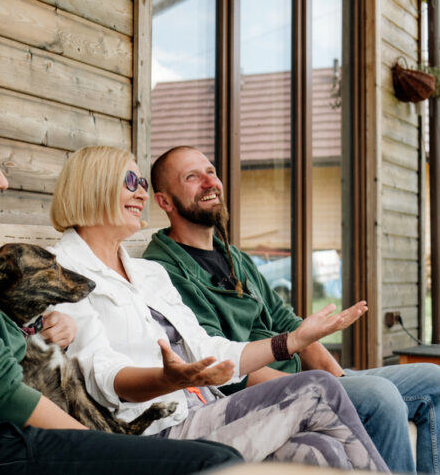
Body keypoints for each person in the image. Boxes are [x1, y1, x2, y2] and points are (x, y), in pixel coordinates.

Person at [0, 91, 245, 475]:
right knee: (214, 464)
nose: (1, 181)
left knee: (221, 458)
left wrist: (48, 336)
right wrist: (102, 447)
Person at [48, 145, 390, 470]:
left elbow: (207, 347)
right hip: (155, 433)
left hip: (205, 407)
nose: (141, 193)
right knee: (318, 387)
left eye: (143, 183)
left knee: (320, 450)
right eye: (130, 182)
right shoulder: (60, 274)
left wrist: (291, 342)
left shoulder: (149, 273)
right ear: (93, 187)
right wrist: (168, 379)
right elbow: (104, 377)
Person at [143, 145, 440, 474]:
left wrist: (338, 380)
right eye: (192, 177)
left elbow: (290, 325)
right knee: (380, 396)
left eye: (210, 171)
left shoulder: (234, 257)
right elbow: (224, 369)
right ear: (164, 201)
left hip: (306, 380)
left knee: (439, 383)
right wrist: (307, 391)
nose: (209, 182)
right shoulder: (165, 269)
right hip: (267, 393)